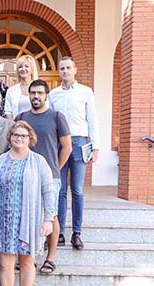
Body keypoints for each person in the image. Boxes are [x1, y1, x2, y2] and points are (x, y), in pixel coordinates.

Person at [0, 121, 55, 286]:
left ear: (30, 138)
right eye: (16, 135)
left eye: (23, 136)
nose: (19, 138)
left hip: (30, 219)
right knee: (6, 264)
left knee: (27, 261)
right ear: (9, 137)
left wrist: (49, 219)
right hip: (5, 220)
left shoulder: (39, 161)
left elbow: (48, 190)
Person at [16, 79, 72, 274]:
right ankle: (23, 254)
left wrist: (55, 169)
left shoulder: (56, 117)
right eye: (33, 93)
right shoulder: (22, 117)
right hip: (24, 175)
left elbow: (67, 146)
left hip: (50, 177)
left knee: (51, 214)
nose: (36, 96)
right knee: (24, 212)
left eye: (40, 93)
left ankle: (50, 257)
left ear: (47, 95)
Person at [49, 56, 100, 250]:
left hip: (79, 143)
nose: (65, 71)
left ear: (75, 70)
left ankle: (76, 232)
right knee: (59, 189)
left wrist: (95, 147)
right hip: (60, 145)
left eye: (68, 68)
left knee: (77, 190)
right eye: (62, 68)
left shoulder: (85, 92)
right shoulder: (53, 94)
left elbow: (92, 120)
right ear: (59, 71)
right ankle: (59, 232)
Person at [3, 55, 39, 120]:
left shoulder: (40, 88)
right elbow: (8, 113)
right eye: (20, 67)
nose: (23, 69)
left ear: (32, 69)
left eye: (26, 66)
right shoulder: (11, 91)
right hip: (18, 127)